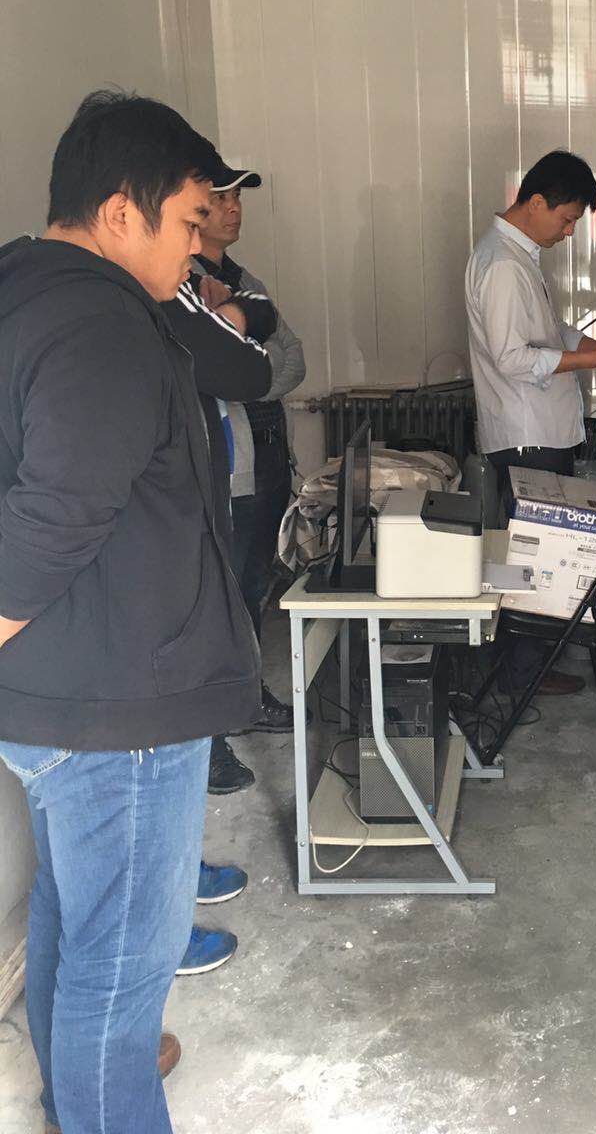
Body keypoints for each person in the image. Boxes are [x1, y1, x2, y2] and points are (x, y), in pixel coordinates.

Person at [0, 91, 260, 1134]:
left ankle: (76, 1099)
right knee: (120, 975)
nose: (198, 246)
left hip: (55, 698)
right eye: (190, 221)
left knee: (72, 921)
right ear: (120, 212)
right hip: (121, 714)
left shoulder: (20, 286)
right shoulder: (103, 325)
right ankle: (102, 1099)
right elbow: (52, 521)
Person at [465, 150, 596, 695]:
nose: (569, 233)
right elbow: (512, 358)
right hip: (528, 436)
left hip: (537, 430)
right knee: (533, 559)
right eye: (566, 219)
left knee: (532, 553)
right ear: (536, 202)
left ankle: (522, 667)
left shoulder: (517, 256)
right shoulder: (502, 264)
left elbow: (547, 332)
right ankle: (521, 676)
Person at [164, 193, 280, 974]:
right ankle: (159, 926)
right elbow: (248, 362)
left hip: (195, 521)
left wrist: (232, 311)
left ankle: (175, 878)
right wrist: (227, 317)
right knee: (143, 767)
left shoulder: (181, 290)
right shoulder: (133, 309)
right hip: (150, 563)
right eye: (191, 221)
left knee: (168, 752)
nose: (197, 246)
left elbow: (269, 354)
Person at [189, 165, 306, 739]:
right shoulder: (184, 286)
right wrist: (253, 368)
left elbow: (294, 358)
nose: (233, 208)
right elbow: (210, 374)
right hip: (231, 467)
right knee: (228, 589)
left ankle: (247, 695)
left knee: (256, 581)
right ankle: (214, 724)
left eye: (237, 197)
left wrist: (251, 376)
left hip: (268, 453)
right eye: (219, 198)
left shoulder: (242, 278)